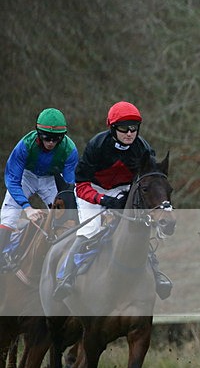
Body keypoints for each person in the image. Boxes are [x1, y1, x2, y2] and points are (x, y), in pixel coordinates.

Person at [52, 101, 172, 300]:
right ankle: (67, 277)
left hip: (122, 189)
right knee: (90, 230)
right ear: (113, 128)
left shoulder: (143, 148)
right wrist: (103, 199)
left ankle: (157, 275)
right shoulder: (97, 146)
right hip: (92, 189)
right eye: (124, 128)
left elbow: (149, 177)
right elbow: (81, 185)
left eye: (134, 128)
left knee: (139, 227)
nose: (130, 133)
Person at [1, 108, 78, 266]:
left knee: (67, 217)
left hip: (50, 180)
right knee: (9, 217)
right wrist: (27, 208)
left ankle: (65, 263)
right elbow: (12, 180)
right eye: (46, 137)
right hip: (26, 177)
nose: (51, 143)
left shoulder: (70, 150)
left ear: (63, 136)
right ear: (38, 133)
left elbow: (70, 187)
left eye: (56, 139)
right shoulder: (25, 145)